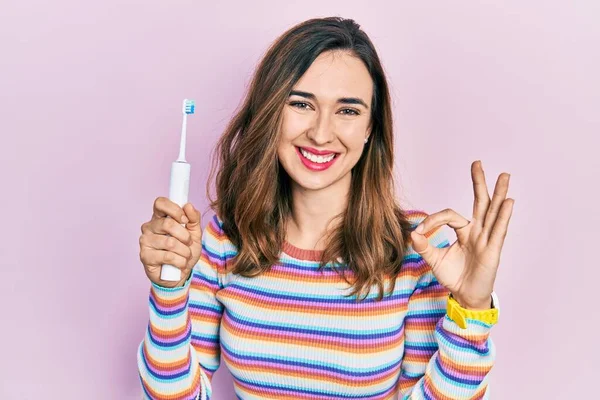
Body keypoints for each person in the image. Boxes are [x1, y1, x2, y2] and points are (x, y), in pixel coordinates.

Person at [136, 17, 514, 400]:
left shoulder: (417, 250)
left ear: (370, 127)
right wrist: (168, 290)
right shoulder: (223, 240)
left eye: (347, 111)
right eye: (301, 104)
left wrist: (472, 308)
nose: (320, 133)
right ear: (271, 113)